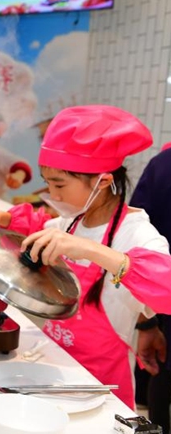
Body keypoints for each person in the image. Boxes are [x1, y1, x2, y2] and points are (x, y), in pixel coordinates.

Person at [0, 105, 171, 408]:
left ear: (102, 182)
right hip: (50, 372)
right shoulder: (70, 221)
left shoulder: (137, 234)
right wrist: (5, 218)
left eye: (60, 184)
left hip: (102, 393)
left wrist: (90, 250)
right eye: (48, 182)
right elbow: (40, 224)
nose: (53, 194)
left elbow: (166, 288)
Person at [130, 144, 171, 431]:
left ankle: (155, 421)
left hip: (162, 282)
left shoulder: (162, 163)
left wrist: (146, 320)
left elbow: (137, 221)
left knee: (163, 363)